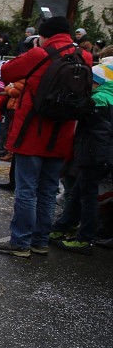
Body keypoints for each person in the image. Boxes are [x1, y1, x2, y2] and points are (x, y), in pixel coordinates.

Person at [0, 16, 93, 258]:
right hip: (62, 135)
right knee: (47, 191)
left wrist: (35, 49)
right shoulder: (84, 57)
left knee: (26, 190)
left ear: (45, 35)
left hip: (32, 133)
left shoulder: (40, 54)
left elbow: (6, 72)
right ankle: (40, 241)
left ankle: (21, 242)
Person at [47, 60, 112, 254]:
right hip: (101, 154)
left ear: (97, 82)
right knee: (77, 192)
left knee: (88, 197)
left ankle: (84, 239)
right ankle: (62, 227)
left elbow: (78, 111)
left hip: (96, 154)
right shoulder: (108, 96)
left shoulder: (99, 98)